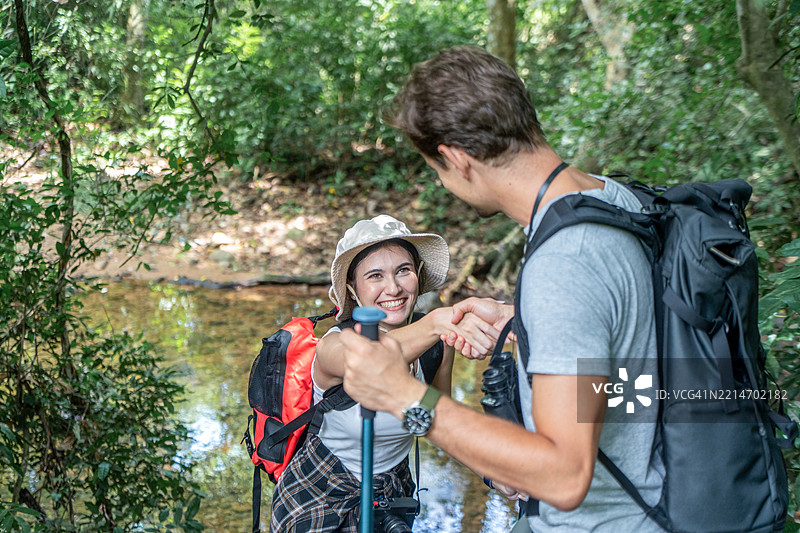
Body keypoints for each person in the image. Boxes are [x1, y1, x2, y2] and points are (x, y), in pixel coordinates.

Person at [337, 45, 665, 532]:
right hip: (655, 492)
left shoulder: (564, 260)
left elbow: (564, 477)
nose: (443, 183)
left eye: (437, 170)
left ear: (457, 159)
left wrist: (406, 396)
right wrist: (521, 319)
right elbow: (629, 334)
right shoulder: (608, 197)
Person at [269, 214, 499, 533]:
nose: (393, 288)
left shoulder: (436, 347)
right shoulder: (334, 345)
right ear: (352, 289)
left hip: (393, 490)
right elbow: (370, 360)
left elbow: (441, 422)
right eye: (375, 275)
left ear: (418, 274)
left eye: (403, 270)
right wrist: (436, 322)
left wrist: (497, 473)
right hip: (319, 492)